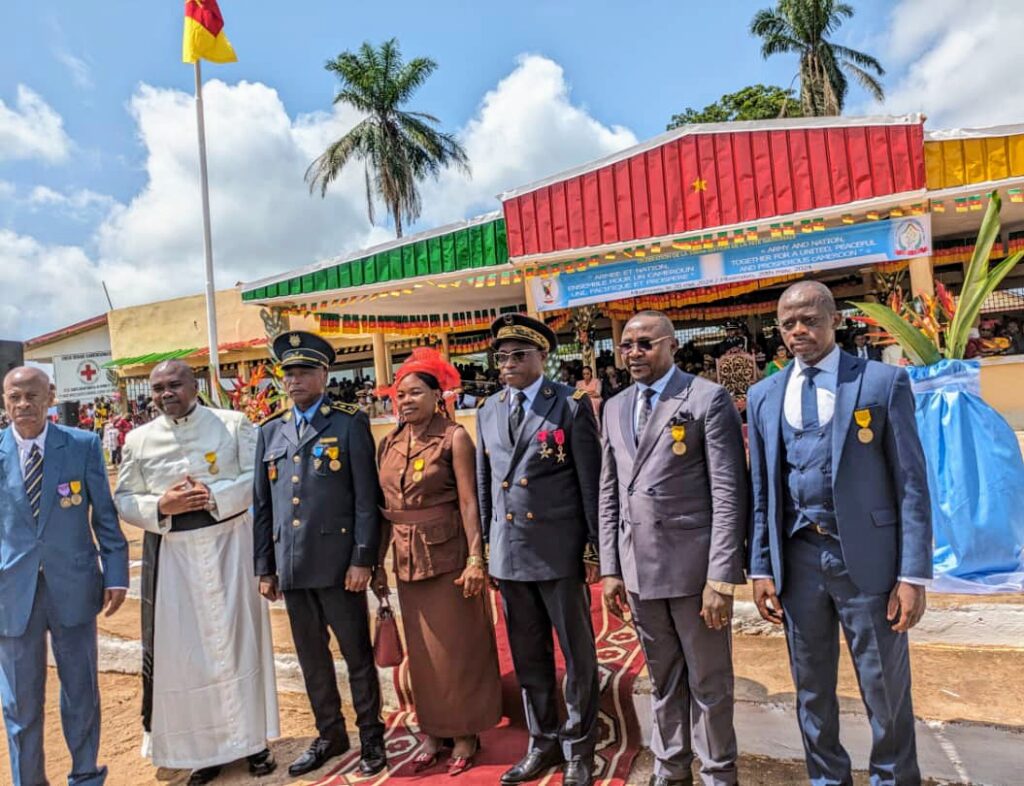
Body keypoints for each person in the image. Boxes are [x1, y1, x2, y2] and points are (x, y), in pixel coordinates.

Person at [746, 281, 932, 786]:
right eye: (788, 324)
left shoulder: (880, 383)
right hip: (797, 561)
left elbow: (911, 484)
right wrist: (761, 566)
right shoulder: (763, 395)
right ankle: (828, 779)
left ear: (834, 321)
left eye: (809, 320)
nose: (798, 331)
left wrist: (913, 573)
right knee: (811, 688)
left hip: (867, 562)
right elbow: (763, 489)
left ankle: (894, 778)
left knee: (883, 688)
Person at [599, 312, 748, 786]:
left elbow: (729, 493)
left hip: (692, 571)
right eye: (626, 346)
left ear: (671, 345)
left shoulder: (706, 398)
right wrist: (610, 568)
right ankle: (672, 768)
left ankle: (719, 773)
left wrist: (720, 577)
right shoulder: (615, 406)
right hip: (638, 569)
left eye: (645, 344)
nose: (634, 354)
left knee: (709, 682)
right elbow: (609, 492)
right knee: (663, 680)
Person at [114, 360, 278, 785]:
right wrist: (160, 507)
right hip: (175, 558)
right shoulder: (137, 440)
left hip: (231, 545)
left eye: (175, 384)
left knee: (243, 643)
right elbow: (125, 497)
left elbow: (257, 478)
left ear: (196, 385)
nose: (166, 393)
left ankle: (254, 742)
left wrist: (215, 494)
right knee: (188, 657)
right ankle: (206, 752)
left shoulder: (233, 423)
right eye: (157, 388)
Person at [252, 332, 387, 778]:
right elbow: (263, 504)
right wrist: (265, 568)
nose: (294, 381)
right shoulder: (270, 430)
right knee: (313, 659)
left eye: (304, 372)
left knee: (356, 656)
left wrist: (362, 559)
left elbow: (366, 498)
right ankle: (330, 732)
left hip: (338, 567)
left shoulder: (349, 422)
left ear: (324, 375)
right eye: (288, 373)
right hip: (292, 567)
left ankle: (371, 735)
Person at [475, 314, 602, 786]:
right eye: (501, 357)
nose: (508, 364)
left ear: (542, 358)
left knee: (577, 655)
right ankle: (542, 741)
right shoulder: (488, 409)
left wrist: (594, 550)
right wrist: (488, 549)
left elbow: (589, 482)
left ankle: (578, 747)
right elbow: (486, 485)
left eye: (519, 356)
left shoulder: (568, 404)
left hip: (558, 550)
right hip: (510, 553)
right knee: (528, 656)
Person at [373, 348, 502, 776]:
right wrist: (376, 563)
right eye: (399, 395)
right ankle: (433, 730)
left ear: (436, 395)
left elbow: (469, 501)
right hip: (407, 561)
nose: (405, 401)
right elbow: (383, 508)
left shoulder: (454, 437)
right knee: (424, 655)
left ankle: (465, 733)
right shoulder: (389, 443)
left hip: (449, 559)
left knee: (457, 650)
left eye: (414, 393)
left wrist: (475, 558)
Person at [0, 367, 129, 786]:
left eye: (32, 395)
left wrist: (116, 574)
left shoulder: (82, 445)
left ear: (50, 396)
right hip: (11, 595)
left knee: (80, 691)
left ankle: (86, 775)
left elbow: (105, 519)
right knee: (20, 702)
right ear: (4, 400)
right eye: (14, 397)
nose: (23, 405)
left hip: (73, 588)